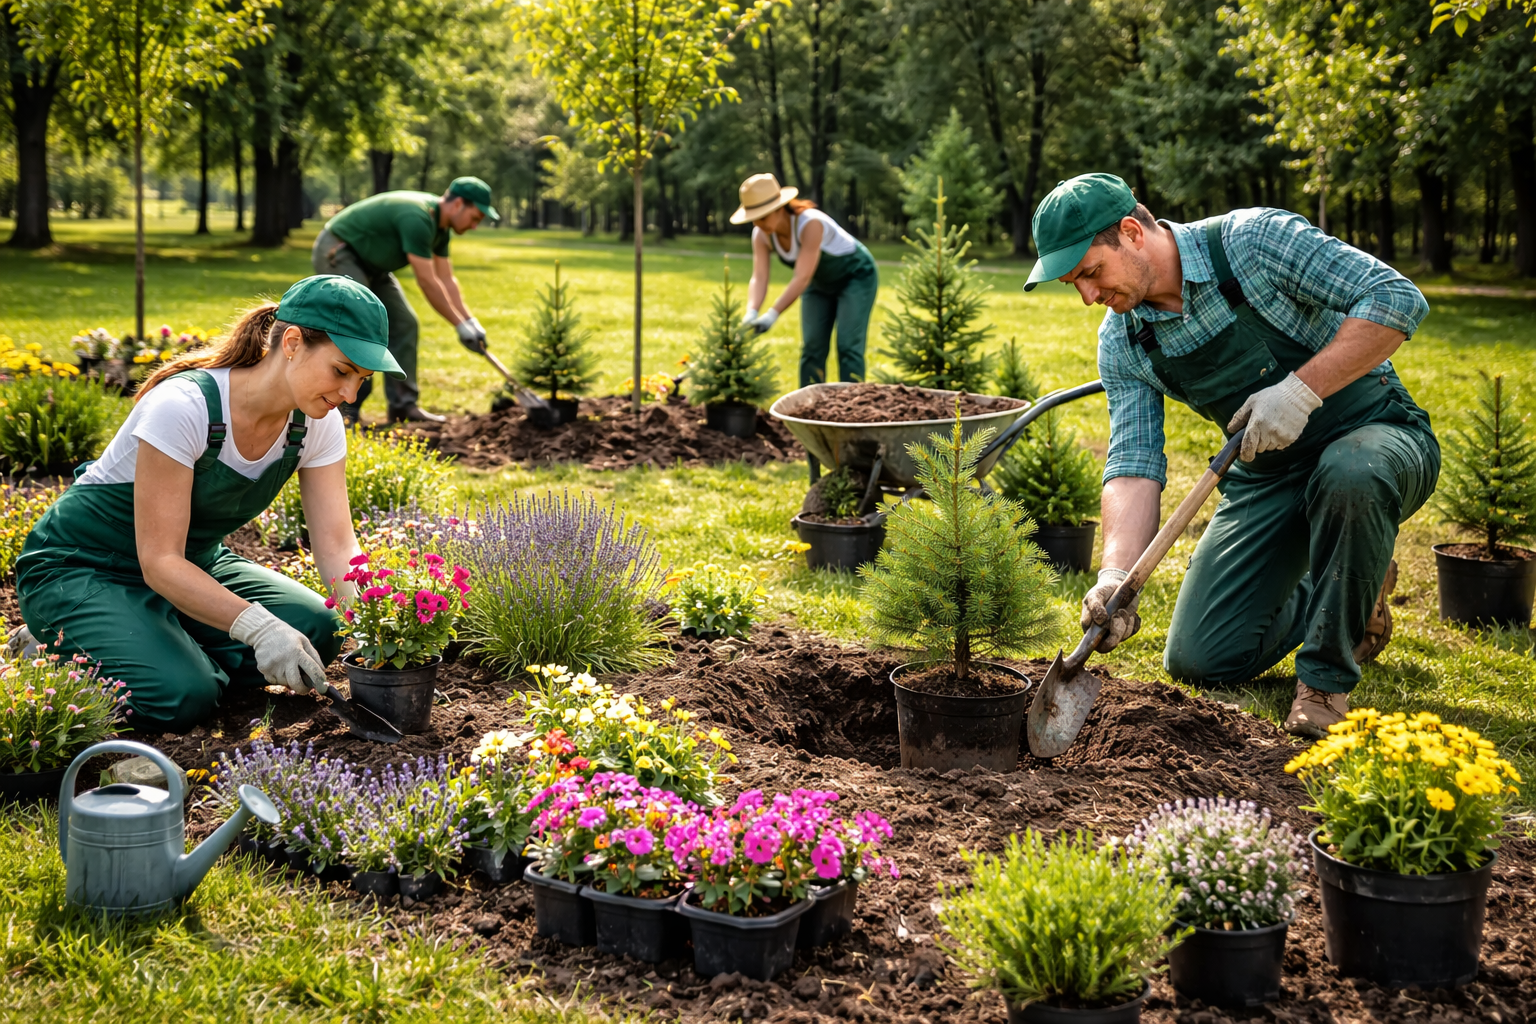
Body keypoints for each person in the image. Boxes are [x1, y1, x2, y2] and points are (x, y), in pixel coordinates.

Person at [1025, 173, 1438, 738]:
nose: (1089, 297)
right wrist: (1115, 575)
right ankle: (1353, 584)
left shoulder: (1254, 243)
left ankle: (1324, 683)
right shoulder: (1125, 340)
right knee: (1201, 659)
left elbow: (1396, 298)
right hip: (1267, 476)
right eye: (1075, 284)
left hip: (1374, 435)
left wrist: (1301, 389)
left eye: (1092, 273)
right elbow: (1134, 462)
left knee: (1351, 472)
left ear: (1131, 232)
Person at [11, 276, 401, 732]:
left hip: (190, 565)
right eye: (341, 370)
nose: (350, 395)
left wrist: (379, 627)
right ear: (292, 342)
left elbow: (336, 542)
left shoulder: (316, 425)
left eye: (362, 380)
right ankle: (55, 645)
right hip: (83, 567)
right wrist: (258, 629)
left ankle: (149, 641)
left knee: (320, 628)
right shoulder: (186, 406)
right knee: (182, 696)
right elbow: (158, 561)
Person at [312, 176, 500, 424]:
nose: (475, 225)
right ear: (458, 205)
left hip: (374, 266)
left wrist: (470, 321)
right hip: (340, 251)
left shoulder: (440, 229)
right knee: (359, 327)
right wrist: (458, 325)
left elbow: (446, 278)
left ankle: (403, 406)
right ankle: (345, 411)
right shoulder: (418, 217)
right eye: (475, 217)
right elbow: (428, 281)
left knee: (404, 324)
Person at [734, 173, 879, 390]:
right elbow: (760, 276)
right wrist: (751, 313)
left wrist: (772, 315)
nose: (757, 223)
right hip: (818, 283)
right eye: (753, 217)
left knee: (848, 345)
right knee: (812, 346)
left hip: (855, 276)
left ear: (779, 207)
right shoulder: (761, 235)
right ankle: (810, 406)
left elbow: (802, 277)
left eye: (762, 216)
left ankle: (853, 404)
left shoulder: (811, 223)